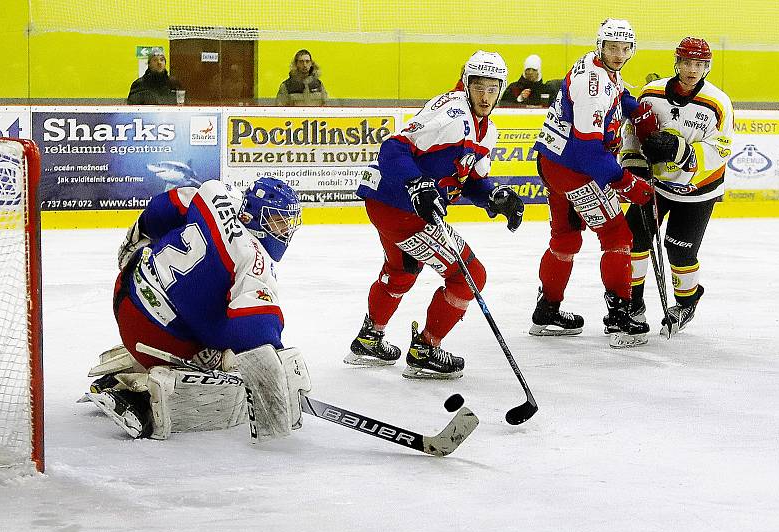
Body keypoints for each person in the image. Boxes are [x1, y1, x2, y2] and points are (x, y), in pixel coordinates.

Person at [84, 178, 311, 441]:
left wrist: (138, 232)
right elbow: (254, 333)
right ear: (253, 216)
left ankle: (128, 369)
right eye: (278, 221)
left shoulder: (215, 194)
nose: (284, 230)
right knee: (229, 366)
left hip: (127, 288)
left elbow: (161, 208)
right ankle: (140, 397)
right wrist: (278, 364)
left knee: (210, 312)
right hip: (158, 335)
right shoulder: (255, 262)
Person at [345, 51, 525, 379]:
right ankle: (426, 348)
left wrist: (494, 197)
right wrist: (417, 185)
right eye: (478, 87)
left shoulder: (486, 130)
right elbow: (393, 148)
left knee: (401, 271)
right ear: (466, 84)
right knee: (469, 275)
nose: (484, 96)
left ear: (501, 90)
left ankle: (369, 338)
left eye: (492, 89)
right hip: (401, 206)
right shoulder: (454, 114)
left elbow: (468, 179)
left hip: (386, 202)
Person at [531, 19, 658, 348]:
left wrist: (637, 110)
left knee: (565, 239)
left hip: (553, 163)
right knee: (617, 235)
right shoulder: (593, 85)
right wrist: (627, 182)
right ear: (601, 45)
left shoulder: (597, 66)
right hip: (575, 169)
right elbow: (590, 153)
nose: (619, 54)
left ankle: (547, 311)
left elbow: (618, 95)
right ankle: (620, 318)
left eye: (625, 48)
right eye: (612, 47)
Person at [621, 37, 733, 336]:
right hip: (655, 186)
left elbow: (720, 149)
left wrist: (680, 150)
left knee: (679, 252)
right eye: (687, 62)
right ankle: (633, 300)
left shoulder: (717, 102)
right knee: (635, 242)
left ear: (706, 66)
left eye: (699, 64)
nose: (692, 69)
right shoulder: (652, 93)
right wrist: (635, 166)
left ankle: (686, 301)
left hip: (697, 190)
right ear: (677, 62)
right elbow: (633, 131)